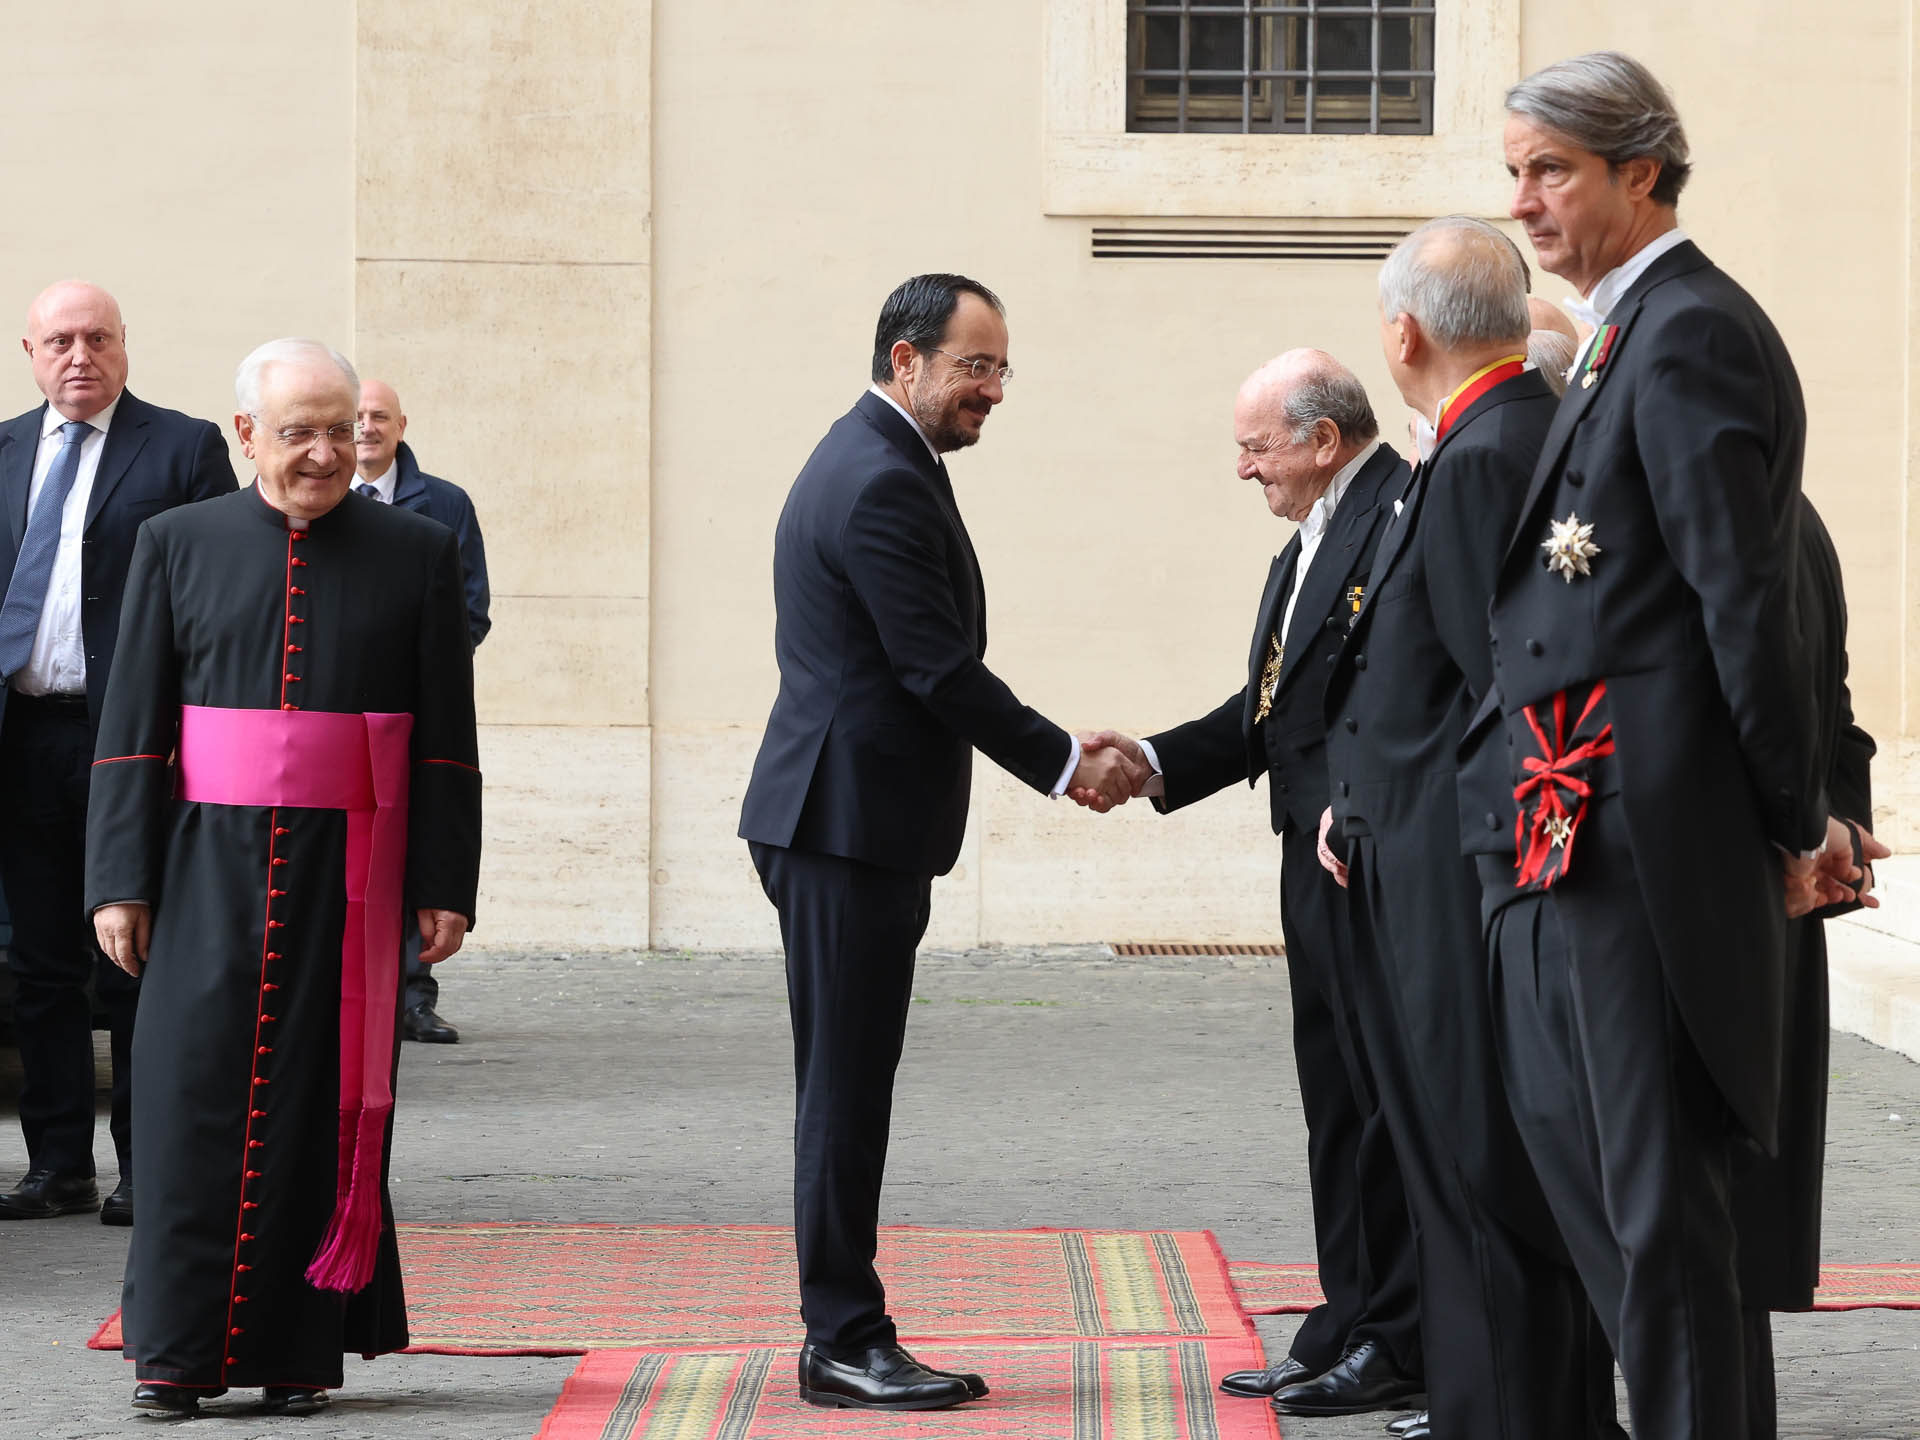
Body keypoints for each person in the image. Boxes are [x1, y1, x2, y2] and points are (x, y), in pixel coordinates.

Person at [1485, 53, 1827, 1438]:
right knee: (1625, 1215)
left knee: (1662, 1226)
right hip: (1589, 833)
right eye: (1513, 173)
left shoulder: (1688, 330)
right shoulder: (1629, 328)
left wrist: (1785, 822)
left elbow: (1744, 595)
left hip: (1651, 844)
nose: (1524, 202)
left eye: (1549, 170)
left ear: (1643, 171)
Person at [738, 274, 1141, 1412]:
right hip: (843, 824)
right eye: (975, 366)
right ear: (905, 359)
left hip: (850, 819)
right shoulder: (876, 480)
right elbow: (934, 670)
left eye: (1003, 368)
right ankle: (841, 1337)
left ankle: (845, 1324)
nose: (994, 390)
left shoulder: (875, 460)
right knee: (845, 1085)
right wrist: (1066, 759)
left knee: (851, 1077)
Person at [85, 338, 481, 1418]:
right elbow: (131, 726)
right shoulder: (175, 542)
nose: (322, 452)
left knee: (318, 1102)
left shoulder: (416, 550)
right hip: (203, 864)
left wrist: (445, 881)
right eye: (296, 430)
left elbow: (447, 733)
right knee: (181, 1097)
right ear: (246, 435)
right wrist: (119, 879)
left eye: (340, 430)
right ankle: (172, 1353)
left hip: (347, 878)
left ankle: (295, 1355)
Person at [1080, 353, 1423, 1416]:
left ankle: (1401, 1334)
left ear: (1324, 440)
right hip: (1308, 861)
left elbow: (1402, 693)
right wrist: (1154, 760)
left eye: (1255, 446)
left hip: (1368, 855)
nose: (1243, 469)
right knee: (1335, 1104)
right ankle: (1348, 1317)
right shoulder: (1310, 537)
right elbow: (1272, 708)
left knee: (1382, 1107)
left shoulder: (1399, 513)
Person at [1321, 216, 1609, 1440]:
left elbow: (1493, 677)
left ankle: (1511, 1413)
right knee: (1453, 1154)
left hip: (1452, 860)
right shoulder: (1482, 437)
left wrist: (1400, 815)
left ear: (1403, 330)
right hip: (1420, 843)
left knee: (1476, 1158)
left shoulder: (1490, 449)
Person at [0, 281, 234, 1227]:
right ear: (30, 351)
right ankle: (57, 1164)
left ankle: (146, 1165)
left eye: (97, 338)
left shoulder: (183, 448)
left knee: (132, 955)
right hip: (23, 739)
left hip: (133, 746)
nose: (79, 356)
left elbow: (218, 590)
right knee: (41, 965)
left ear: (125, 346)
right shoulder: (6, 449)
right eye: (59, 341)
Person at [1732, 495, 1882, 1440]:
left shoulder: (1743, 523)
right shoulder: (1777, 511)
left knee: (1723, 1206)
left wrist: (1816, 837)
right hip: (1771, 873)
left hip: (1738, 892)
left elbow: (1812, 709)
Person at [355, 378, 491, 1044]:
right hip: (335, 722)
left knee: (416, 849)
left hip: (412, 715)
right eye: (354, 416)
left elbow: (471, 611)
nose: (365, 427)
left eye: (379, 416)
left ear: (401, 425)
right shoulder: (313, 503)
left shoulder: (444, 504)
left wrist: (416, 678)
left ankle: (412, 996)